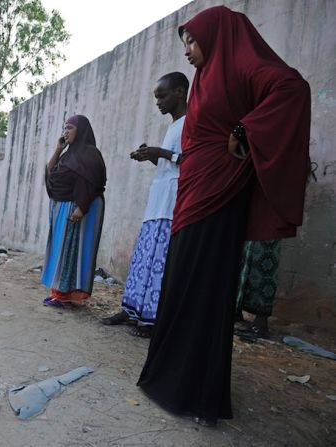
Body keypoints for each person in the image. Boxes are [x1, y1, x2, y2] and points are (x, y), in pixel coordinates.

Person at [137, 6, 311, 426]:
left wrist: (242, 131)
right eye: (185, 44)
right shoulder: (206, 78)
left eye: (192, 41)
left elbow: (292, 88)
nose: (188, 52)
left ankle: (194, 391)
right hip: (192, 193)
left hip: (219, 194)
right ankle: (168, 379)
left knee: (205, 286)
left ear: (217, 36)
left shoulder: (243, 65)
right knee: (181, 282)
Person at [102, 73, 188, 337]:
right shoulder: (172, 126)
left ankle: (153, 319)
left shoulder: (191, 123)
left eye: (162, 96)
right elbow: (169, 163)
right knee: (145, 258)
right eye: (156, 98)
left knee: (160, 261)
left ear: (180, 92)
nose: (158, 102)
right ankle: (133, 310)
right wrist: (150, 156)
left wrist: (159, 153)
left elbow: (191, 160)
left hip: (172, 202)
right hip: (157, 201)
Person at [41, 115, 106, 307]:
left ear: (81, 130)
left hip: (78, 209)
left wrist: (82, 207)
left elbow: (94, 181)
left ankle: (65, 296)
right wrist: (58, 149)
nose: (65, 132)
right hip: (63, 208)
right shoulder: (67, 154)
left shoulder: (90, 154)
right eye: (64, 128)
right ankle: (58, 292)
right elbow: (49, 173)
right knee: (60, 251)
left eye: (69, 128)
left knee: (70, 251)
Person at [234, 239, 281, 339]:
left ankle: (260, 325)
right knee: (247, 266)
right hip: (258, 228)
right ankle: (238, 311)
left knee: (262, 270)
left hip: (267, 230)